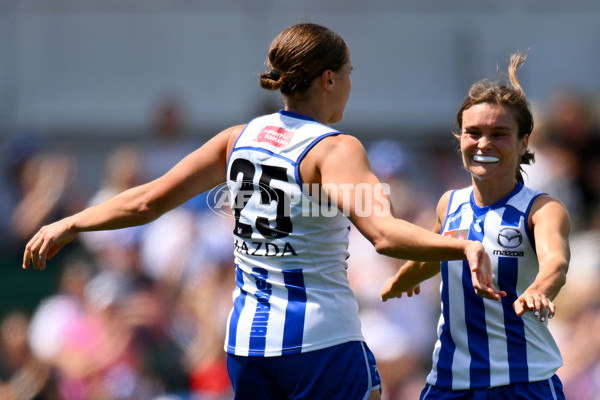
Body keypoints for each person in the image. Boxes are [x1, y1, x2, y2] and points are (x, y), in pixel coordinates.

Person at [23, 23, 504, 400]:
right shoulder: (335, 149)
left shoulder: (238, 138)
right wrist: (462, 245)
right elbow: (383, 234)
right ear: (328, 78)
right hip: (320, 341)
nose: (351, 84)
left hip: (247, 346)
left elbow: (147, 200)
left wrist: (72, 221)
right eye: (350, 73)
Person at [381, 52, 571, 400]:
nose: (484, 144)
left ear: (523, 142)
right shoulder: (448, 203)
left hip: (523, 385)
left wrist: (538, 290)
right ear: (460, 138)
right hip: (449, 383)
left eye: (499, 134)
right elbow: (438, 252)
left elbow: (556, 262)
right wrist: (402, 279)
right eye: (474, 133)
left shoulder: (541, 208)